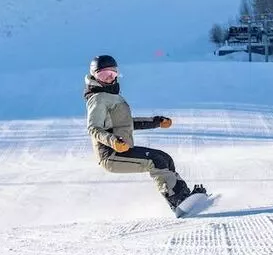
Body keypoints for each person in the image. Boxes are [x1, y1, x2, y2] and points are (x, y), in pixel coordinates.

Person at [84, 55, 205, 216]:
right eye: (103, 75)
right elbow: (93, 128)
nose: (108, 79)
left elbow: (126, 123)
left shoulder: (112, 96)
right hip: (111, 154)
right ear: (94, 76)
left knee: (164, 158)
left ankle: (182, 195)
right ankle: (176, 199)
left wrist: (156, 122)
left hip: (122, 149)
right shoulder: (98, 98)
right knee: (154, 161)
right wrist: (113, 141)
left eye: (112, 74)